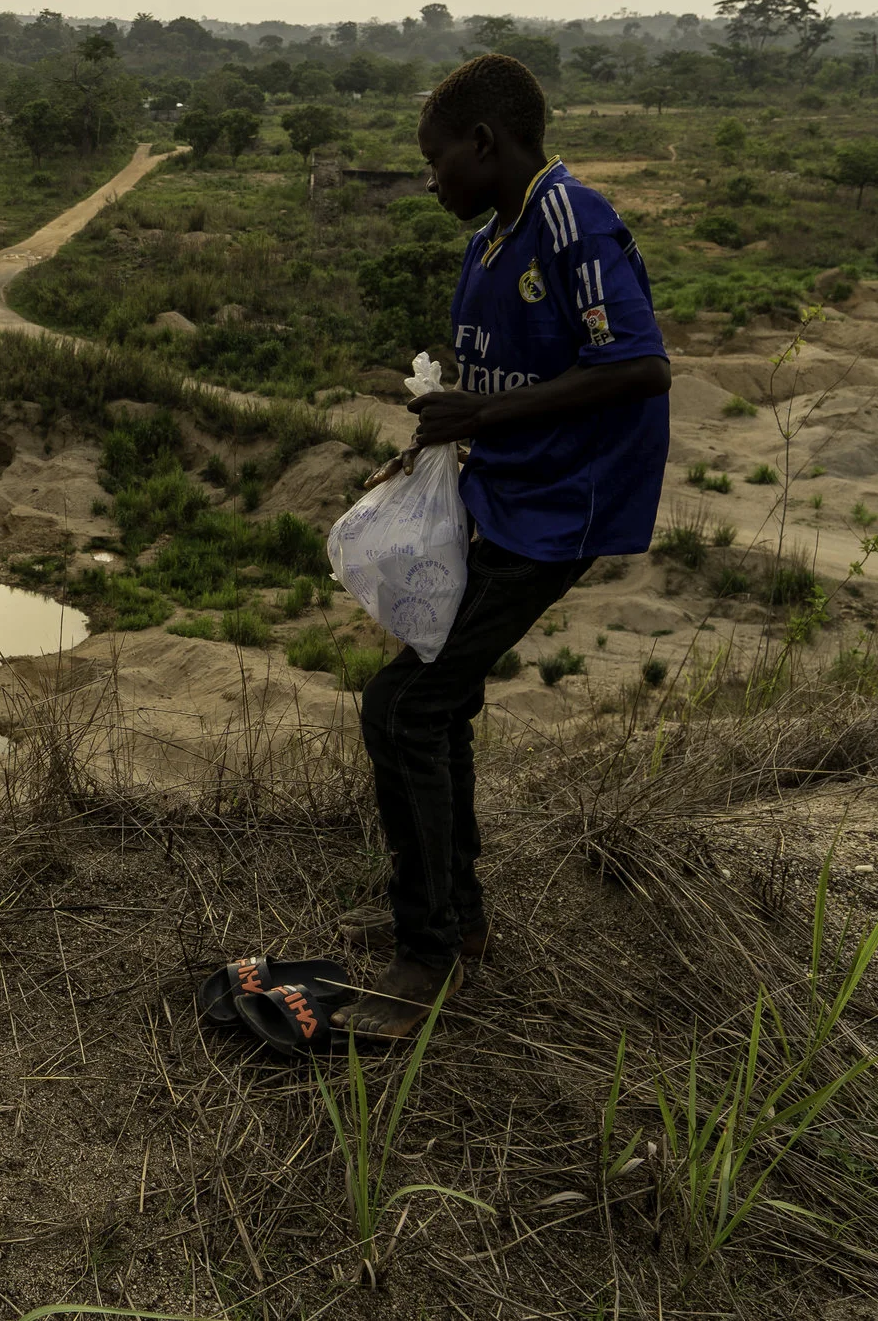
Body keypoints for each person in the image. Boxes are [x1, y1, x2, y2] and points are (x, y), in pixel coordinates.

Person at [335, 53, 671, 1041]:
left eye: (437, 161)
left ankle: (427, 951)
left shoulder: (570, 218)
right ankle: (458, 921)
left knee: (405, 704)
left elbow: (639, 363)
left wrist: (482, 409)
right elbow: (505, 381)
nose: (430, 180)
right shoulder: (490, 243)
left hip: (562, 507)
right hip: (503, 496)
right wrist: (448, 433)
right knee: (432, 702)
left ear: (484, 143)